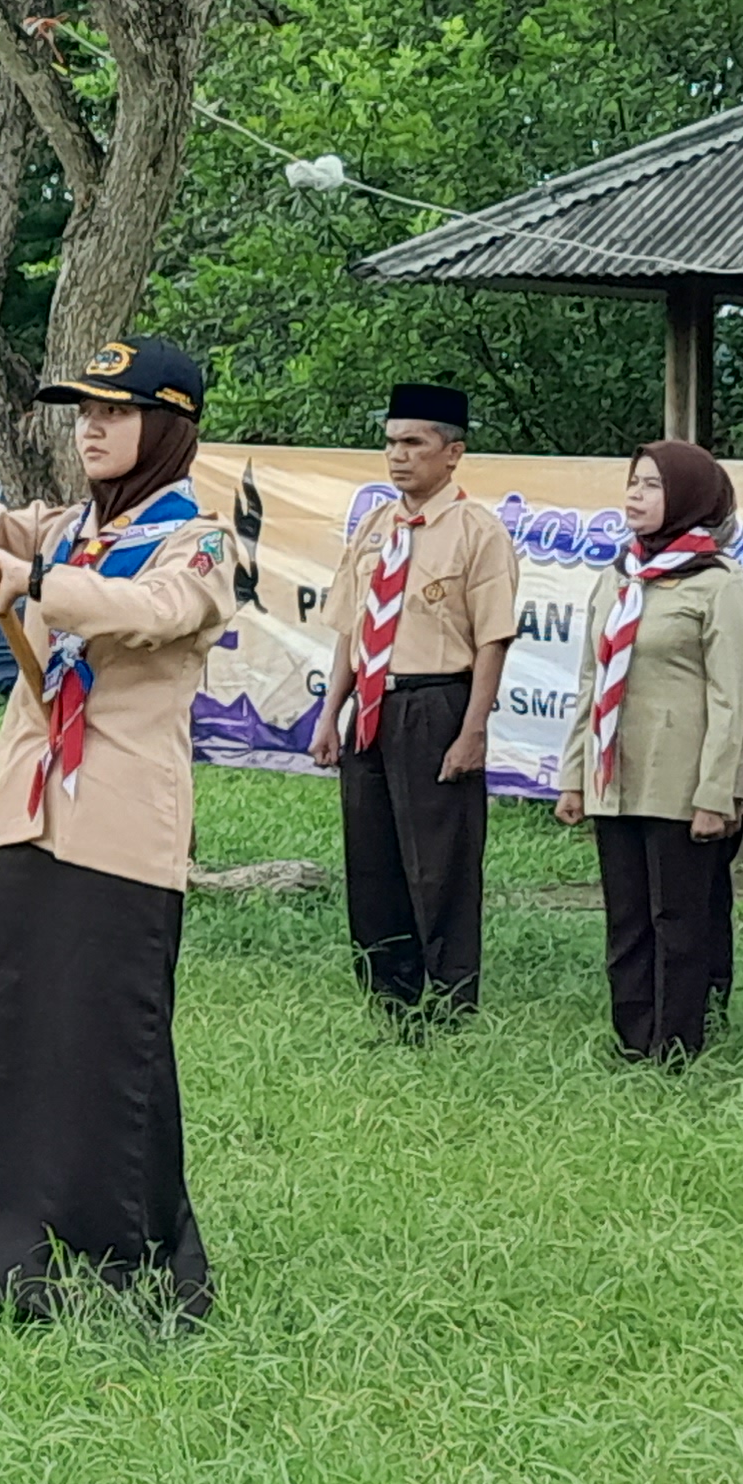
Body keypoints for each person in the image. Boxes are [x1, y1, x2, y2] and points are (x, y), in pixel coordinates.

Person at [0, 335, 237, 1320]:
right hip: (22, 807)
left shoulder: (197, 540)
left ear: (167, 426)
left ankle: (116, 1243)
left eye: (115, 412)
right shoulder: (60, 525)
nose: (91, 428)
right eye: (84, 412)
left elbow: (154, 610)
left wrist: (35, 582)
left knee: (102, 1035)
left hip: (117, 819)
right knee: (3, 1025)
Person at [554, 441, 743, 1065]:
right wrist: (574, 776)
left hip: (680, 780)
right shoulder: (617, 576)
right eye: (633, 482)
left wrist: (717, 794)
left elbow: (733, 698)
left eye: (652, 485)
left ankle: (676, 1047)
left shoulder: (720, 584)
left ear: (688, 498)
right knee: (626, 917)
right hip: (615, 773)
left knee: (678, 918)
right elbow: (592, 681)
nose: (636, 495)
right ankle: (631, 1041)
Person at [309, 384, 521, 1024]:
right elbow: (352, 627)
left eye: (413, 443)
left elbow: (492, 638)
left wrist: (473, 729)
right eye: (390, 443)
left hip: (437, 703)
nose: (397, 456)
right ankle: (387, 996)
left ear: (452, 453)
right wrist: (330, 715)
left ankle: (451, 1002)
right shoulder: (377, 527)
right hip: (374, 702)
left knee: (440, 861)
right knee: (372, 858)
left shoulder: (477, 531)